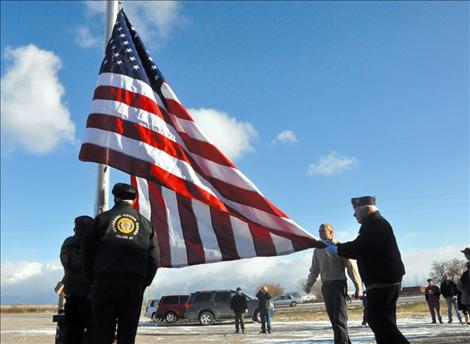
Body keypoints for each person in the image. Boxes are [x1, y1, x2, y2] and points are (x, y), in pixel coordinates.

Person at [323, 196, 409, 344]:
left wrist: (337, 249)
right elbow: (360, 245)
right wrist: (337, 247)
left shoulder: (376, 224)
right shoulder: (375, 225)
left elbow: (359, 248)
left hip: (382, 281)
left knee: (379, 321)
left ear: (367, 210)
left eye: (356, 211)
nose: (354, 215)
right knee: (384, 322)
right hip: (383, 280)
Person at [81, 183, 159, 344]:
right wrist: (143, 283)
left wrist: (92, 279)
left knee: (102, 333)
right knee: (127, 334)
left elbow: (86, 252)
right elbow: (154, 258)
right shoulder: (145, 224)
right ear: (134, 200)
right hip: (133, 285)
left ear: (115, 198)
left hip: (104, 284)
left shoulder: (101, 220)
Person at [304, 224, 363, 344]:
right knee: (334, 322)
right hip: (326, 287)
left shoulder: (339, 247)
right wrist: (309, 284)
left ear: (331, 233)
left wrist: (358, 286)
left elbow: (351, 268)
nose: (320, 233)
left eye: (323, 231)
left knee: (340, 320)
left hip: (338, 286)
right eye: (319, 231)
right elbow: (314, 270)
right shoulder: (317, 250)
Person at [60, 215, 94, 344]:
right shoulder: (93, 245)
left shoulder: (67, 243)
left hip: (72, 293)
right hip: (90, 295)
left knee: (73, 332)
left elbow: (66, 264)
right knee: (93, 333)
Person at [458, 248, 470, 325]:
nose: (465, 256)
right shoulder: (467, 271)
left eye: (465, 254)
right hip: (467, 290)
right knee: (468, 306)